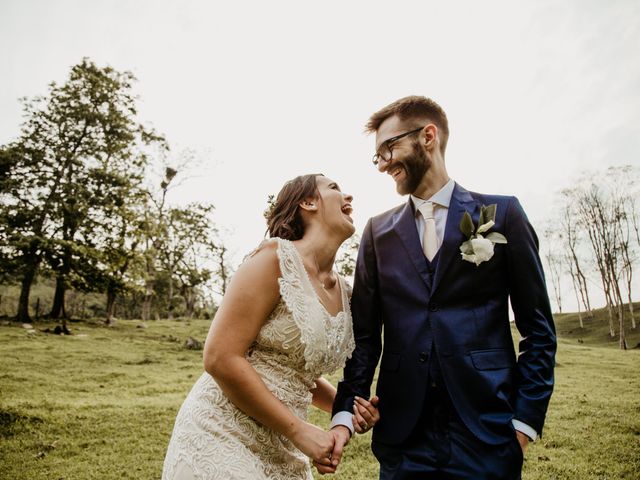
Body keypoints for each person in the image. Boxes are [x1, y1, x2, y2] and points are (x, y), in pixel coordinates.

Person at [329, 96, 557, 479]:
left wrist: (523, 425)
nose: (383, 164)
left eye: (389, 148)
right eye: (377, 156)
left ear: (428, 136)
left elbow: (538, 330)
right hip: (404, 440)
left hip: (488, 433)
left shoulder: (503, 215)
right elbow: (365, 337)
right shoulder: (376, 232)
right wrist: (343, 413)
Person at [162, 174, 379, 480]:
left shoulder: (344, 291)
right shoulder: (274, 259)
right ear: (308, 202)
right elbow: (219, 358)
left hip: (282, 444)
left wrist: (345, 409)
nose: (348, 197)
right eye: (334, 188)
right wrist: (298, 430)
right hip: (222, 428)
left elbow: (296, 371)